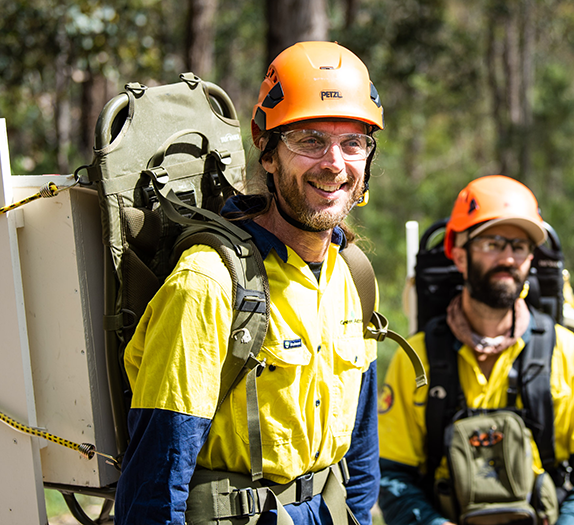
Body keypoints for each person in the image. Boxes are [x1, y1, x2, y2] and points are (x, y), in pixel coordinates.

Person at [114, 41, 385, 524]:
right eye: (309, 140)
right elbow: (157, 478)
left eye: (353, 143)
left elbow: (360, 459)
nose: (334, 163)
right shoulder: (208, 283)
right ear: (267, 152)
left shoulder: (352, 275)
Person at [377, 175, 574, 525]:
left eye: (520, 246)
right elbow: (391, 476)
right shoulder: (415, 360)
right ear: (459, 255)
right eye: (493, 243)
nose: (508, 258)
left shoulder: (566, 354)